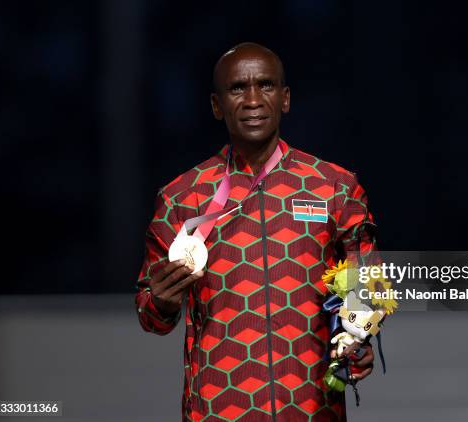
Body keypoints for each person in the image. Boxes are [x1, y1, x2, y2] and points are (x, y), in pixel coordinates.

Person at [135, 42, 379, 422]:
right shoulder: (183, 197)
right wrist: (162, 304)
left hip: (312, 408)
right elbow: (150, 315)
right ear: (217, 106)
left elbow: (366, 281)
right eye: (237, 88)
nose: (252, 100)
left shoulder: (334, 187)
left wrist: (358, 337)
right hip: (217, 409)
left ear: (284, 99)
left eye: (265, 85)